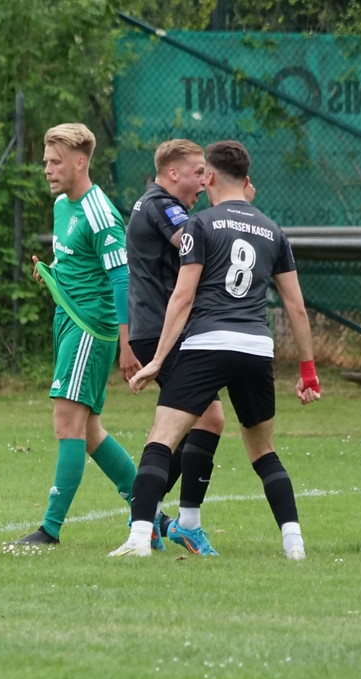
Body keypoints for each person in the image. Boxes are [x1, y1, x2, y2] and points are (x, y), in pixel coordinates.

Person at [109, 140, 321, 560]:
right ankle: (294, 543)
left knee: (162, 437)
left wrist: (156, 360)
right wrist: (308, 372)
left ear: (209, 178)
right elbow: (296, 307)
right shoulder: (273, 230)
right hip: (257, 346)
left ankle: (139, 537)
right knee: (263, 450)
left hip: (206, 341)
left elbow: (183, 295)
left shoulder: (201, 225)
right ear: (247, 180)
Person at [11, 123, 139, 547]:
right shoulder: (62, 205)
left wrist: (126, 345)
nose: (47, 170)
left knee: (68, 425)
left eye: (55, 162)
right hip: (67, 322)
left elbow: (121, 280)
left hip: (89, 329)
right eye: (46, 162)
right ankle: (150, 514)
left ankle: (50, 529)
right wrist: (51, 273)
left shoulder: (100, 212)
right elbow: (76, 262)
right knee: (91, 432)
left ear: (81, 162)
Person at [124, 139, 221, 554]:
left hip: (159, 329)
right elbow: (196, 246)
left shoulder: (154, 203)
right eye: (198, 172)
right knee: (207, 419)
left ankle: (147, 516)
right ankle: (174, 523)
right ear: (173, 173)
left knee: (199, 421)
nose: (204, 180)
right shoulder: (163, 206)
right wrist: (233, 212)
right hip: (161, 331)